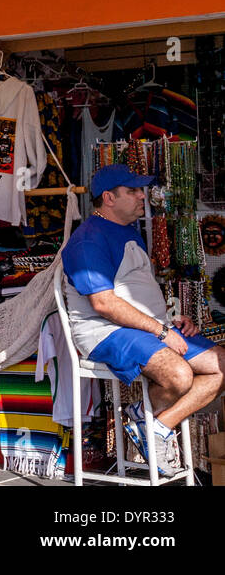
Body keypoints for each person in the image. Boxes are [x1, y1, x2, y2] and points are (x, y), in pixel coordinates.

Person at [62, 163, 225, 473]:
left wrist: (171, 319)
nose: (142, 196)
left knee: (221, 365)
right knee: (178, 375)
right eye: (133, 191)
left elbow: (133, 291)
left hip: (147, 328)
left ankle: (155, 425)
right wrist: (161, 331)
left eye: (141, 190)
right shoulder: (88, 239)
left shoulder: (128, 232)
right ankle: (151, 426)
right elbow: (104, 303)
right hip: (105, 331)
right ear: (108, 198)